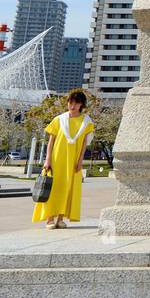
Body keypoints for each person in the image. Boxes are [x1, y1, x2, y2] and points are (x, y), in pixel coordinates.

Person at [34, 89, 94, 230]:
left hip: (73, 161)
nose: (72, 106)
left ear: (81, 105)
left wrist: (80, 160)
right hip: (56, 159)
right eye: (70, 103)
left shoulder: (86, 122)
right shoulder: (59, 119)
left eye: (76, 103)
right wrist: (48, 159)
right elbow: (51, 141)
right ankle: (49, 218)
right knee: (53, 187)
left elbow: (85, 143)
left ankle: (60, 218)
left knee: (67, 188)